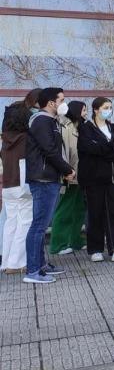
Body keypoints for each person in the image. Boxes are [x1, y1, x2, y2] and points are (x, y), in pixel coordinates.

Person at [23, 88, 75, 284]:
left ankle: (41, 265)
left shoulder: (50, 121)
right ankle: (33, 271)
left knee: (41, 226)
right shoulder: (42, 121)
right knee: (38, 226)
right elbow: (50, 151)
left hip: (49, 178)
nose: (64, 103)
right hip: (43, 179)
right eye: (62, 99)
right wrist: (67, 169)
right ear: (52, 103)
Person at [78, 98, 114, 263]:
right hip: (93, 179)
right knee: (95, 213)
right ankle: (95, 249)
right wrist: (113, 148)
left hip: (113, 178)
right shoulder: (86, 128)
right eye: (105, 107)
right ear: (96, 110)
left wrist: (108, 149)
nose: (109, 110)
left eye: (110, 107)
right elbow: (90, 148)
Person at [1, 89, 40, 274]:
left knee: (10, 223)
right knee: (25, 223)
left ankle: (6, 261)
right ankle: (17, 263)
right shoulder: (26, 138)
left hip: (8, 184)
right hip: (23, 184)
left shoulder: (5, 140)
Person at [48, 101, 87, 256]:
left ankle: (75, 240)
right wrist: (67, 172)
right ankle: (58, 244)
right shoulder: (66, 127)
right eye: (84, 110)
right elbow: (63, 152)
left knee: (78, 210)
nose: (86, 113)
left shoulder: (78, 128)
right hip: (69, 175)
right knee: (64, 210)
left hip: (80, 176)